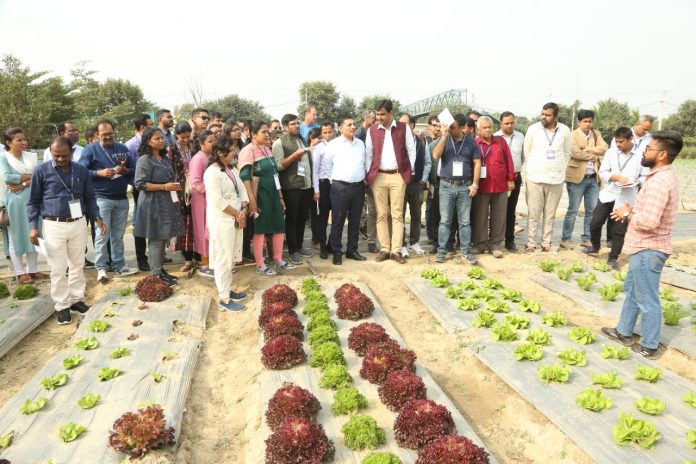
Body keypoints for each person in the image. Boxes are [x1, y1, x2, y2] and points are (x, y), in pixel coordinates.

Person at [602, 131, 682, 359]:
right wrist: (632, 211)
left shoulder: (659, 182)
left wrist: (627, 214)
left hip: (649, 248)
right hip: (642, 247)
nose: (644, 152)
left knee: (647, 298)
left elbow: (648, 222)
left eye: (649, 149)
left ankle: (650, 345)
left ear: (663, 154)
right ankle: (623, 331)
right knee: (633, 292)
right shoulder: (659, 177)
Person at [27, 136, 105, 325]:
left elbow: (90, 196)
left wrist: (98, 218)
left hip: (78, 222)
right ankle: (62, 305)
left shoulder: (81, 170)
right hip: (53, 224)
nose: (60, 159)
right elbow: (33, 201)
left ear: (71, 152)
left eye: (64, 155)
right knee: (58, 268)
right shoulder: (41, 171)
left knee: (77, 264)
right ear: (51, 152)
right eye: (56, 156)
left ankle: (76, 299)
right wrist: (33, 227)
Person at [79, 119, 138, 281]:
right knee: (102, 234)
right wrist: (100, 173)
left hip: (122, 198)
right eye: (104, 134)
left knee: (118, 235)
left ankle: (119, 265)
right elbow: (81, 171)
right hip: (101, 198)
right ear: (97, 135)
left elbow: (134, 169)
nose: (108, 137)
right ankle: (101, 268)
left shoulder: (122, 148)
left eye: (110, 134)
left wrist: (126, 170)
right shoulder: (90, 150)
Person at [583, 127, 646, 270]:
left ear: (631, 140)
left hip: (627, 197)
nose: (618, 144)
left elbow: (645, 176)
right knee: (595, 222)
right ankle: (595, 246)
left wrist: (635, 182)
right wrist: (616, 177)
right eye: (616, 141)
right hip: (609, 193)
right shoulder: (611, 153)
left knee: (619, 230)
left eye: (621, 142)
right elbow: (604, 172)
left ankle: (613, 258)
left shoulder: (640, 155)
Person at [239, 121, 296, 275]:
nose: (267, 134)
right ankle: (260, 264)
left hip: (273, 194)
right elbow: (244, 177)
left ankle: (277, 259)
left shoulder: (267, 150)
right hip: (260, 195)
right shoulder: (248, 151)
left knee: (278, 225)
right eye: (263, 132)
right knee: (261, 229)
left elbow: (274, 174)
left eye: (267, 132)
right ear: (253, 134)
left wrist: (281, 196)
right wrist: (251, 200)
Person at [366, 99, 416, 264]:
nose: (379, 117)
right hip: (378, 177)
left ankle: (396, 251)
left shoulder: (403, 128)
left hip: (398, 176)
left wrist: (409, 171)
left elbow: (411, 150)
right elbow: (369, 153)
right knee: (381, 214)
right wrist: (369, 174)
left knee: (397, 214)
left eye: (382, 114)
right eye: (377, 114)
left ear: (391, 113)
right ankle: (384, 249)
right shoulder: (372, 130)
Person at [134, 127, 183, 287]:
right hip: (152, 203)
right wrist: (164, 187)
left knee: (163, 237)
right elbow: (140, 184)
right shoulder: (144, 160)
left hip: (165, 202)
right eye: (157, 138)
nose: (162, 140)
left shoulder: (164, 158)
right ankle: (155, 275)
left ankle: (160, 270)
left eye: (162, 138)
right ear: (148, 141)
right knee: (156, 238)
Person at [204, 137, 249, 311]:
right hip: (223, 221)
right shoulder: (211, 173)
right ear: (219, 153)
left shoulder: (231, 169)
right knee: (223, 258)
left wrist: (244, 208)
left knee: (231, 256)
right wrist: (237, 213)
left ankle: (227, 290)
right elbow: (217, 200)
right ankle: (224, 298)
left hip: (236, 218)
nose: (234, 153)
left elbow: (242, 189)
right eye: (231, 151)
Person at [431, 114, 480, 264]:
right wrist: (444, 137)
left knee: (464, 222)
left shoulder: (471, 143)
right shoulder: (445, 139)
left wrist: (475, 184)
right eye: (448, 127)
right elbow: (435, 155)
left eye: (453, 127)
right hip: (446, 186)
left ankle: (466, 251)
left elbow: (477, 163)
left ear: (462, 127)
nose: (449, 129)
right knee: (445, 221)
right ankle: (442, 251)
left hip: (465, 186)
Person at [0, 128, 48, 283]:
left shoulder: (31, 157)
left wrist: (24, 182)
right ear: (8, 142)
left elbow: (41, 176)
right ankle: (20, 273)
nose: (24, 142)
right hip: (14, 203)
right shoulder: (3, 158)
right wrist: (30, 176)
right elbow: (7, 178)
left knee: (34, 234)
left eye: (24, 139)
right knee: (16, 237)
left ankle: (33, 271)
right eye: (19, 140)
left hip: (34, 200)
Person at [523, 102, 572, 252]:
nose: (543, 117)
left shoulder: (564, 130)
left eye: (547, 115)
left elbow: (567, 153)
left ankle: (546, 242)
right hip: (535, 177)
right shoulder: (533, 129)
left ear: (555, 116)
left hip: (555, 178)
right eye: (542, 114)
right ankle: (531, 243)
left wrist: (560, 170)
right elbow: (527, 152)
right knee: (533, 213)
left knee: (550, 214)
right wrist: (531, 170)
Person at [560, 109, 607, 249]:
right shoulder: (572, 135)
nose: (588, 124)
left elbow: (604, 148)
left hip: (593, 178)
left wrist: (587, 149)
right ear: (579, 122)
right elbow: (575, 153)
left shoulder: (596, 134)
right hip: (576, 178)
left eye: (590, 121)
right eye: (585, 121)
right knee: (572, 210)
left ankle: (587, 238)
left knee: (591, 211)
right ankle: (566, 239)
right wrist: (593, 154)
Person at [325, 117, 368, 265]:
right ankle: (336, 251)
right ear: (340, 127)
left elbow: (365, 163)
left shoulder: (360, 144)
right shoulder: (333, 145)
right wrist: (335, 181)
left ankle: (352, 250)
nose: (353, 127)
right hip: (340, 187)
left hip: (358, 187)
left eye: (354, 124)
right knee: (338, 220)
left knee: (355, 220)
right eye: (349, 125)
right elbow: (327, 166)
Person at [471, 116, 515, 258]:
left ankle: (495, 244)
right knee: (480, 217)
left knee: (499, 216)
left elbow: (509, 161)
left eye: (489, 127)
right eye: (484, 127)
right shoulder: (474, 144)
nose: (488, 130)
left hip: (500, 185)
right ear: (478, 129)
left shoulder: (501, 142)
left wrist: (510, 179)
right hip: (482, 187)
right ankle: (480, 244)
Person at [272, 113, 313, 264]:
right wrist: (295, 155)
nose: (297, 126)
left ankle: (300, 246)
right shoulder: (279, 142)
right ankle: (293, 250)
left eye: (298, 123)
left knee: (302, 218)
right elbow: (278, 165)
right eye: (293, 124)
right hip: (291, 187)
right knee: (292, 219)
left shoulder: (301, 139)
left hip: (305, 186)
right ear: (285, 127)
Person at [125, 114, 154, 271]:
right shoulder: (130, 146)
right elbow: (128, 171)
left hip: (155, 188)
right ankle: (141, 258)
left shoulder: (153, 143)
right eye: (151, 124)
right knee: (141, 224)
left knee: (154, 223)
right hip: (140, 190)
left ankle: (157, 256)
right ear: (143, 127)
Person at [399, 113, 429, 256]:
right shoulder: (397, 141)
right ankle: (401, 244)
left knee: (416, 214)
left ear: (411, 125)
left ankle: (414, 242)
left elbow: (428, 161)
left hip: (417, 183)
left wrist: (423, 178)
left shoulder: (421, 141)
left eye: (404, 123)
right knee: (400, 214)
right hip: (401, 183)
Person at [169, 121, 197, 272]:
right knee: (185, 225)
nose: (186, 140)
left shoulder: (195, 145)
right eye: (182, 137)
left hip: (197, 191)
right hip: (181, 193)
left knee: (197, 223)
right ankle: (187, 259)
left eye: (188, 136)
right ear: (177, 135)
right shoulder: (172, 149)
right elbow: (170, 170)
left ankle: (199, 256)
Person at [494, 111, 525, 251]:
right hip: (499, 179)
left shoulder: (520, 136)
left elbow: (523, 157)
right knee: (496, 211)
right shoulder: (495, 137)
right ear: (500, 123)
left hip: (515, 179)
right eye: (506, 123)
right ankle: (495, 239)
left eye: (512, 123)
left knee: (511, 210)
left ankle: (510, 240)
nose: (509, 125)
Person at [189, 130, 215, 277]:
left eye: (214, 140)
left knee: (211, 230)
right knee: (203, 230)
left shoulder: (211, 157)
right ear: (201, 143)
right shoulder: (198, 159)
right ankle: (205, 264)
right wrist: (211, 191)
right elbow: (195, 182)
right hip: (201, 200)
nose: (213, 143)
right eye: (210, 141)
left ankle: (212, 262)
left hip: (211, 200)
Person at [310, 124, 334, 259]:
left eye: (330, 131)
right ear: (321, 134)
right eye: (325, 132)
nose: (328, 134)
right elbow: (315, 170)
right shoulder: (318, 148)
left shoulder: (338, 146)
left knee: (337, 217)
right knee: (323, 218)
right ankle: (323, 247)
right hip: (323, 184)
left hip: (336, 184)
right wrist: (316, 190)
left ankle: (332, 244)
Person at [423, 115, 441, 244]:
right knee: (430, 209)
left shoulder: (443, 141)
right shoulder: (425, 141)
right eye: (434, 125)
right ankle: (431, 235)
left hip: (441, 180)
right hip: (430, 181)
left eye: (439, 125)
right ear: (429, 126)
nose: (437, 128)